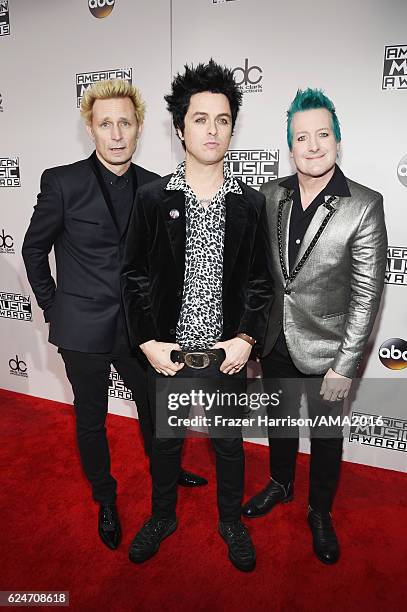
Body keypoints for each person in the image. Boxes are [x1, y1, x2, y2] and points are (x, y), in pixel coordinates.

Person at [22, 78, 206, 553]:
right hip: (82, 329)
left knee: (155, 407)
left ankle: (165, 466)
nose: (117, 133)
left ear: (139, 127)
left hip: (139, 331)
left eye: (125, 122)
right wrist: (52, 304)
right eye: (106, 123)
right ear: (91, 128)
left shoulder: (157, 186)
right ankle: (105, 498)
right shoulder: (62, 182)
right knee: (91, 419)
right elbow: (34, 248)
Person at [121, 60, 273, 571]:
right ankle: (163, 515)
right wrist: (147, 344)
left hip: (226, 355)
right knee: (166, 444)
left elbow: (259, 282)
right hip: (168, 354)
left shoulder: (250, 204)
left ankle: (229, 520)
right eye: (201, 118)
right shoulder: (150, 199)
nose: (212, 129)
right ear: (181, 127)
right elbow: (134, 277)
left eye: (223, 119)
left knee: (229, 445)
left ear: (233, 127)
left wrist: (247, 340)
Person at [242, 88, 387, 564]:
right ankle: (280, 483)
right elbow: (261, 272)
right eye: (301, 137)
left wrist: (346, 365)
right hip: (276, 341)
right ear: (290, 146)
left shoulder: (364, 205)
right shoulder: (269, 194)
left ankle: (319, 511)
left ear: (338, 141)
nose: (313, 145)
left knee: (326, 438)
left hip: (329, 353)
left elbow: (367, 294)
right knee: (280, 425)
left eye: (322, 134)